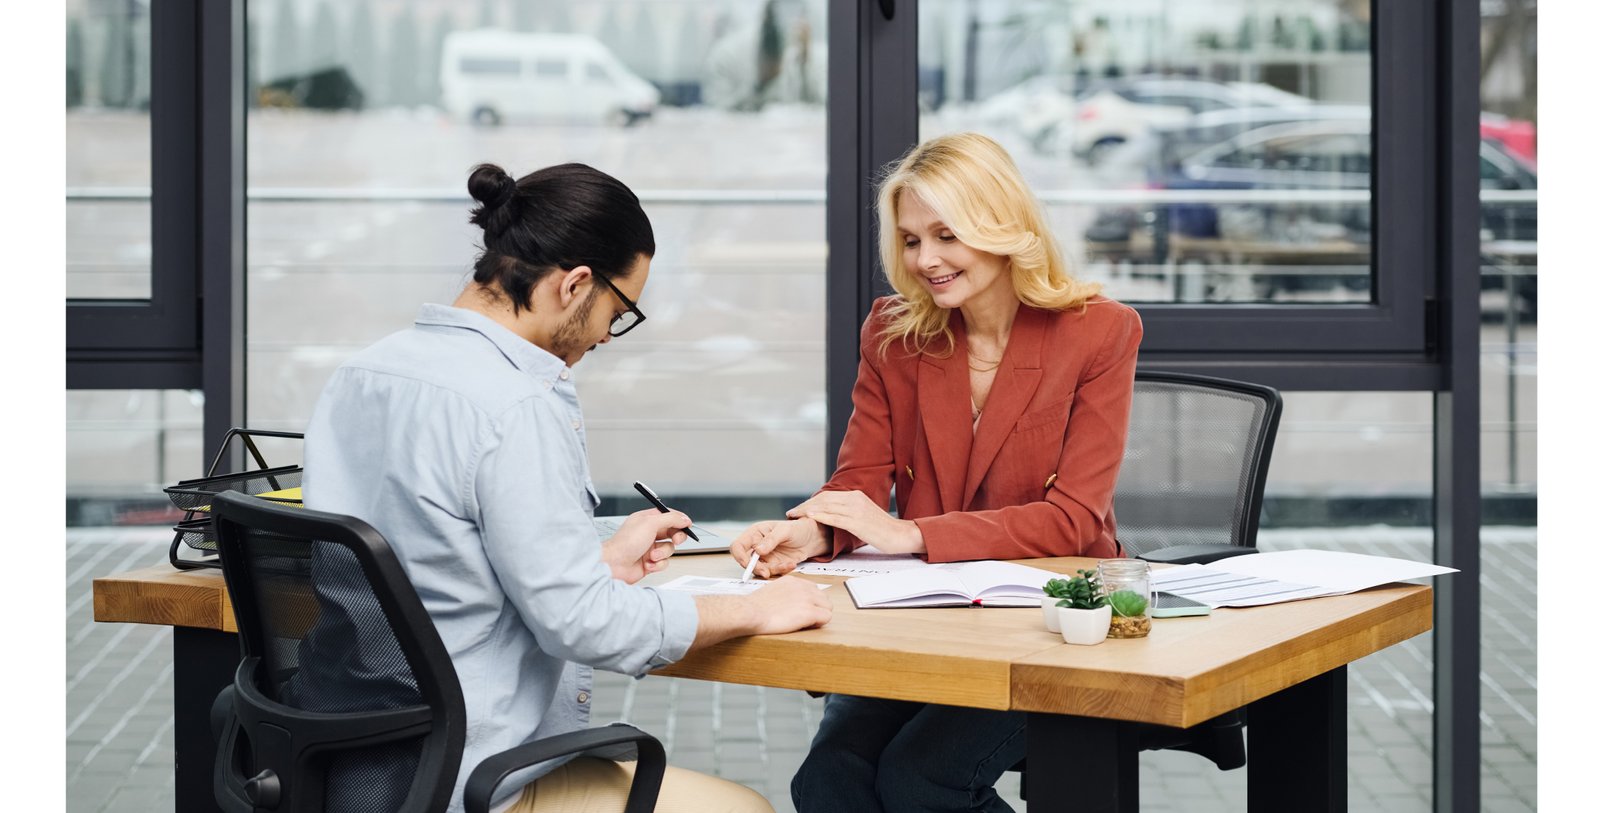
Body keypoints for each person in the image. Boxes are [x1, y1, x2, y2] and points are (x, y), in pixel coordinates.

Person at [302, 161, 832, 813]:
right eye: (619, 309)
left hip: (353, 767)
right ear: (577, 284)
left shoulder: (360, 375)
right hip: (475, 777)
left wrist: (595, 555)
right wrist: (757, 606)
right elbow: (585, 625)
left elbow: (430, 557)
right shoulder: (517, 403)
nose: (610, 333)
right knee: (746, 808)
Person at [730, 132, 1144, 813]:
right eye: (912, 239)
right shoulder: (894, 332)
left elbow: (1074, 518)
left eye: (947, 235)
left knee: (921, 780)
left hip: (1051, 623)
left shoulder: (1099, 332)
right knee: (829, 777)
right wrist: (809, 533)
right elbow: (858, 482)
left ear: (1002, 226)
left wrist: (912, 533)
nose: (926, 259)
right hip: (928, 618)